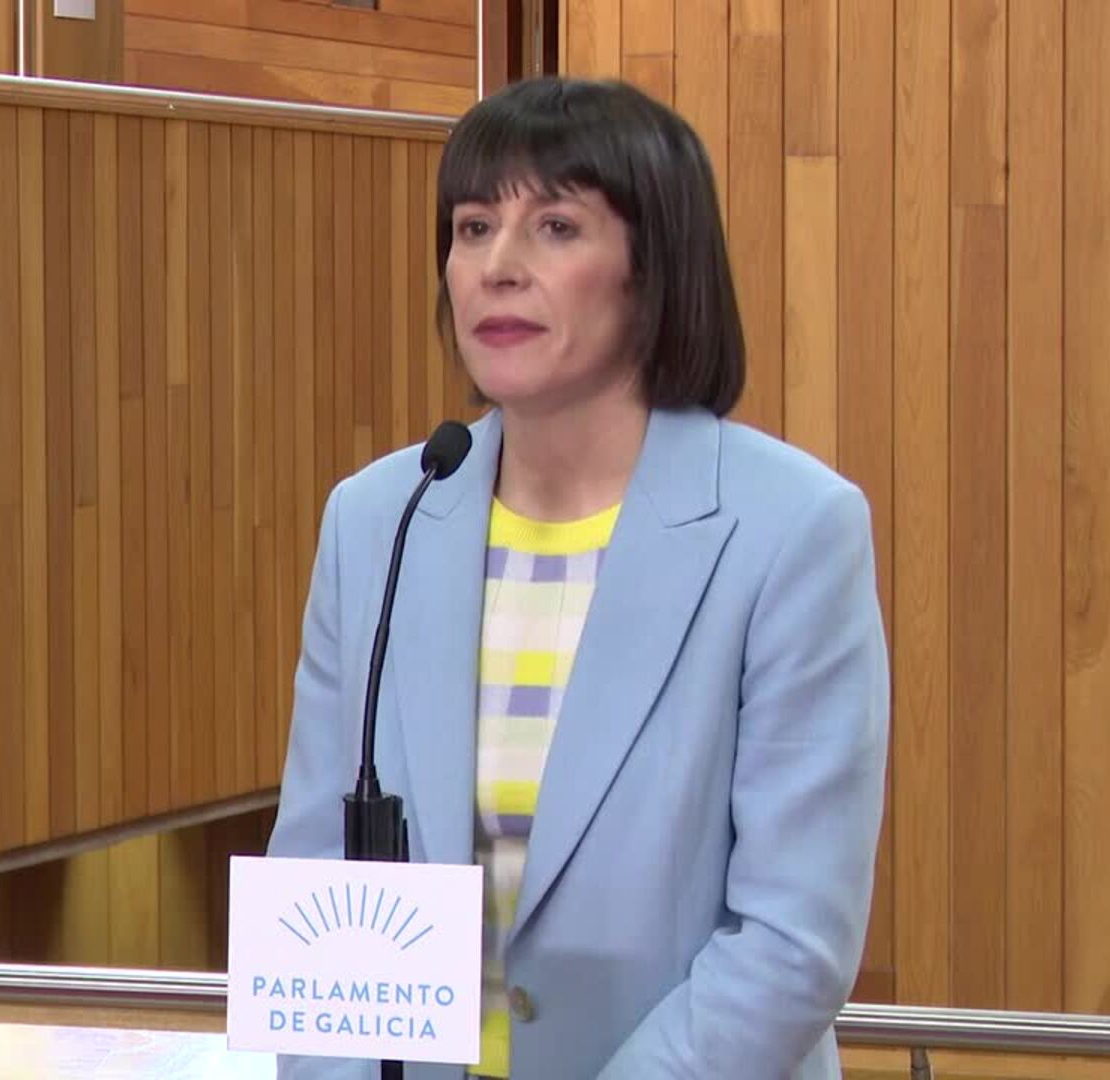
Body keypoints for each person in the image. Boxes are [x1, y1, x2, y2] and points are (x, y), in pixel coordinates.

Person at [264, 75, 889, 1079]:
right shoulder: (380, 518)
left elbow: (791, 942)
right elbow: (318, 883)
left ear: (653, 270)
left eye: (555, 227)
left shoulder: (791, 531)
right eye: (473, 228)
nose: (497, 268)